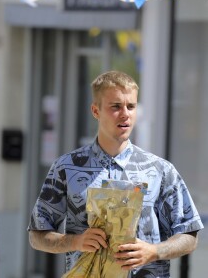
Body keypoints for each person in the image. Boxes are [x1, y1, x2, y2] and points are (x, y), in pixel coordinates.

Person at [27, 70, 204, 277]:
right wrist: (76, 241)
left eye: (131, 106)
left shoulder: (160, 171)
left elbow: (189, 235)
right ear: (95, 111)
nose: (125, 114)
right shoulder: (66, 168)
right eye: (116, 106)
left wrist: (154, 251)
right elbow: (37, 235)